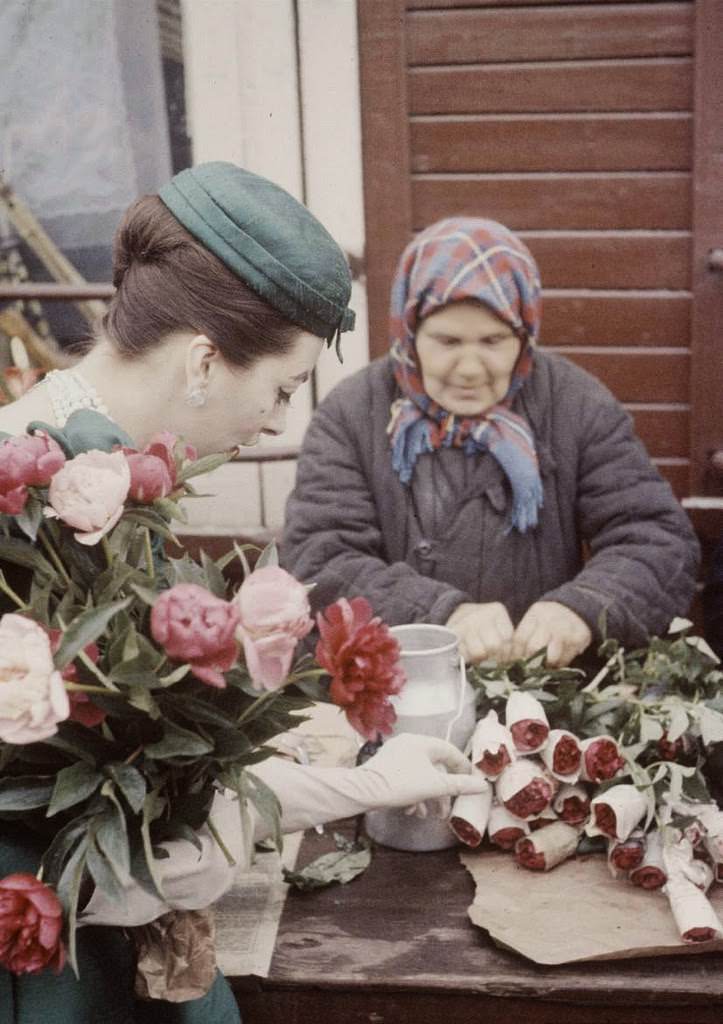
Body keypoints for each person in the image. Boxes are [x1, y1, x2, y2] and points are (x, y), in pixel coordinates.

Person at [0, 165, 486, 1024]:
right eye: (283, 389)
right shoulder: (29, 488)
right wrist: (206, 847)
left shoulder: (102, 462)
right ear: (203, 359)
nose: (275, 421)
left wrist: (356, 787)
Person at [281, 217, 700, 669]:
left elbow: (657, 539)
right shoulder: (351, 414)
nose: (470, 368)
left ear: (525, 335)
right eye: (447, 340)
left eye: (493, 340)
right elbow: (321, 559)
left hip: (547, 690)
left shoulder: (576, 404)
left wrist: (583, 606)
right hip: (398, 687)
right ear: (409, 332)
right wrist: (440, 614)